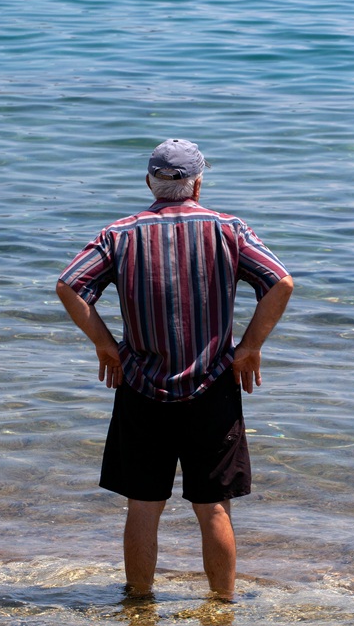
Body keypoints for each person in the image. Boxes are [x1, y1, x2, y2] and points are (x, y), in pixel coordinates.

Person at [56, 139, 293, 601]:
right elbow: (280, 282)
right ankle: (222, 611)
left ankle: (139, 605)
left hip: (141, 387)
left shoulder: (119, 234)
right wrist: (248, 348)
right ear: (198, 184)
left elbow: (70, 286)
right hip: (213, 389)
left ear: (150, 181)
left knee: (143, 507)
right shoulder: (230, 229)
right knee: (214, 509)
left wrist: (106, 346)